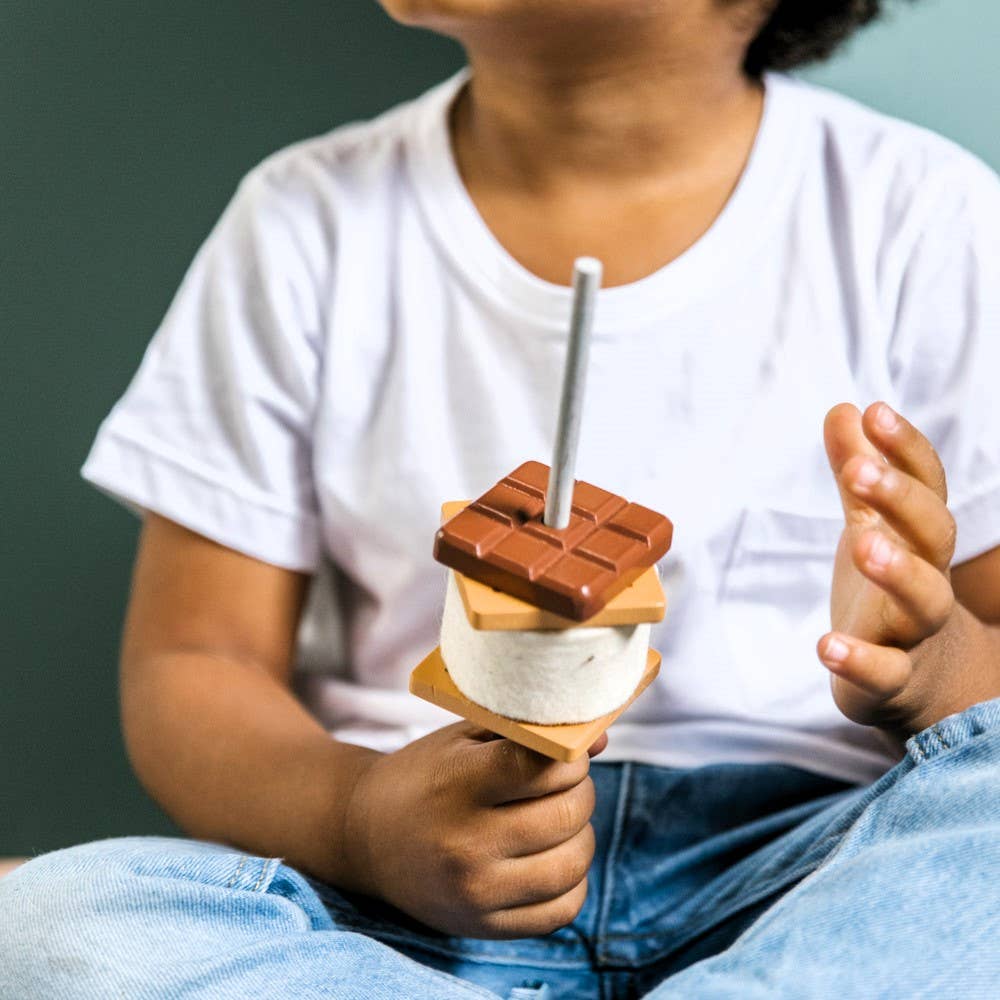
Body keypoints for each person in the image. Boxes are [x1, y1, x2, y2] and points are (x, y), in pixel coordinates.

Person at [4, 1, 1000, 996]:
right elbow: (194, 661)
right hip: (409, 895)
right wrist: (361, 818)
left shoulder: (920, 216)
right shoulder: (305, 219)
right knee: (49, 921)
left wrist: (933, 661)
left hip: (803, 876)